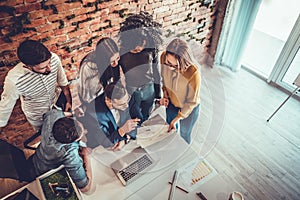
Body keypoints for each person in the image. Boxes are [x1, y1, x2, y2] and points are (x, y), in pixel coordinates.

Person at [0, 40, 72, 131]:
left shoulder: (54, 58)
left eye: (49, 63)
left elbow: (63, 82)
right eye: (43, 67)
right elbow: (5, 107)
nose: (49, 68)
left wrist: (69, 101)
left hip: (57, 104)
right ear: (28, 66)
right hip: (38, 116)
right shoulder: (14, 80)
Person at [32, 109, 92, 193]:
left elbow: (55, 113)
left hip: (37, 157)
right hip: (44, 173)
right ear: (70, 142)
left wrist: (73, 113)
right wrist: (85, 155)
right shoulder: (69, 153)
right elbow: (85, 188)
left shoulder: (53, 118)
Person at [118, 12, 162, 124]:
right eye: (136, 47)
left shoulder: (150, 50)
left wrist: (158, 94)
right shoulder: (121, 52)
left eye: (143, 45)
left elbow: (156, 71)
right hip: (132, 89)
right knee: (135, 115)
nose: (140, 48)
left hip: (149, 88)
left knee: (147, 113)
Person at [160, 38, 201, 144]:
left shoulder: (193, 73)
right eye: (168, 63)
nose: (170, 68)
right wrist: (165, 95)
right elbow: (164, 80)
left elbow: (192, 101)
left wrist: (178, 118)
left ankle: (183, 155)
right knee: (170, 130)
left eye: (175, 66)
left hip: (188, 109)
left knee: (184, 134)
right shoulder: (163, 57)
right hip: (172, 104)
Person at [75, 37, 125, 116]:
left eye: (117, 58)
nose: (116, 63)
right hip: (93, 101)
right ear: (104, 60)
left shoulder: (113, 62)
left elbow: (115, 81)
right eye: (112, 61)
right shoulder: (89, 67)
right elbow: (88, 97)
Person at [92, 83, 140, 150]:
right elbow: (105, 142)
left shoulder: (127, 96)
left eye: (127, 101)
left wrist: (126, 137)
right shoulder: (93, 114)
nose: (127, 106)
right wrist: (122, 131)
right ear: (108, 101)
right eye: (122, 104)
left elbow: (138, 119)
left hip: (128, 141)